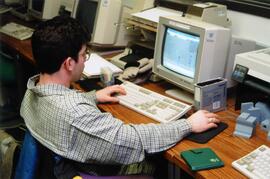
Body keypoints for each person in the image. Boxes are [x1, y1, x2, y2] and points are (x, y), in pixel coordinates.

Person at [20, 16, 219, 178]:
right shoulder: (75, 113)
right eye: (83, 55)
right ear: (69, 64)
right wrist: (188, 125)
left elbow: (60, 107)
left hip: (62, 164)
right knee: (155, 164)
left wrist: (93, 96)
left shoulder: (32, 89)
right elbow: (134, 140)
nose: (84, 61)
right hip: (91, 172)